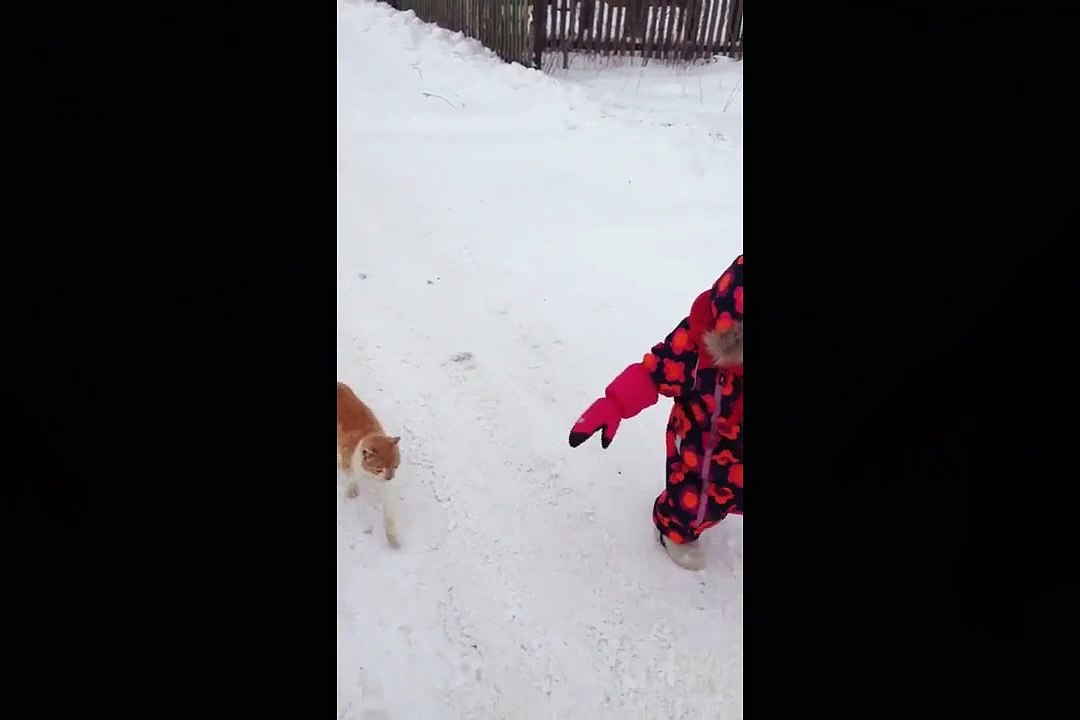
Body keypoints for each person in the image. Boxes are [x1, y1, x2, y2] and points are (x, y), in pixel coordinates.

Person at [568, 255, 743, 571]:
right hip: (701, 449)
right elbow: (655, 372)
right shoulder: (697, 345)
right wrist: (615, 403)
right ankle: (674, 530)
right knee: (695, 500)